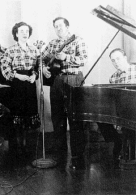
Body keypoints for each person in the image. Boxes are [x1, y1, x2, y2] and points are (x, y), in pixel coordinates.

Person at [41, 17, 88, 169]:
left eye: (61, 26)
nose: (58, 29)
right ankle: (60, 156)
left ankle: (77, 157)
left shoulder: (78, 40)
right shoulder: (53, 43)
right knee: (57, 119)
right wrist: (43, 68)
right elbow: (41, 58)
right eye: (56, 26)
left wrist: (67, 57)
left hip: (73, 79)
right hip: (56, 81)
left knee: (75, 119)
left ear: (67, 27)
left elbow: (84, 59)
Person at [99, 48, 136, 167]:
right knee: (101, 118)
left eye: (118, 59)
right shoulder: (113, 77)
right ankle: (119, 142)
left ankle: (132, 156)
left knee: (132, 118)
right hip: (121, 111)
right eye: (113, 60)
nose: (116, 62)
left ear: (125, 58)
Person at [1, 22, 40, 154]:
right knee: (17, 115)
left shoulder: (35, 50)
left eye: (27, 31)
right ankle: (16, 149)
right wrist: (17, 75)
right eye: (21, 31)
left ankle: (27, 148)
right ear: (16, 34)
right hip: (16, 84)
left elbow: (38, 67)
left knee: (29, 114)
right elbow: (5, 68)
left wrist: (35, 75)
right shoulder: (10, 50)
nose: (25, 33)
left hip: (30, 83)